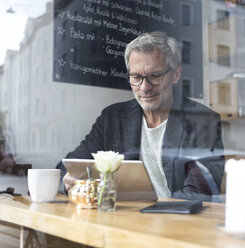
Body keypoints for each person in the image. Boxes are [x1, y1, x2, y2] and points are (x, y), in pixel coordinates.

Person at [56, 31, 224, 201]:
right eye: (136, 77)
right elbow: (69, 167)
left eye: (155, 76)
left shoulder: (203, 121)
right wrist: (68, 182)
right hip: (122, 220)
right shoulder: (112, 118)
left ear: (175, 74)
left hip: (175, 223)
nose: (144, 87)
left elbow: (199, 191)